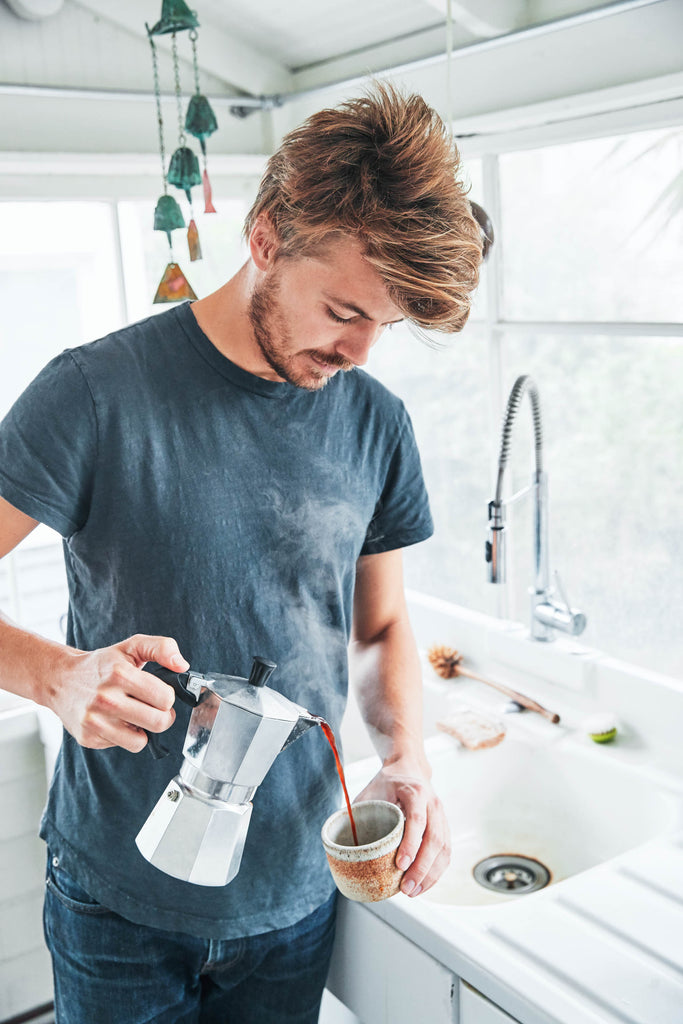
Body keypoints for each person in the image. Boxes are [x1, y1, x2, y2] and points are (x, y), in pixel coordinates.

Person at [0, 82, 481, 1023]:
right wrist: (58, 678)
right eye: (344, 309)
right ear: (265, 238)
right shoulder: (94, 393)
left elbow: (378, 627)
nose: (361, 352)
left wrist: (408, 757)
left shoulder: (376, 423)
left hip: (295, 897)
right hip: (116, 902)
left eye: (385, 324)